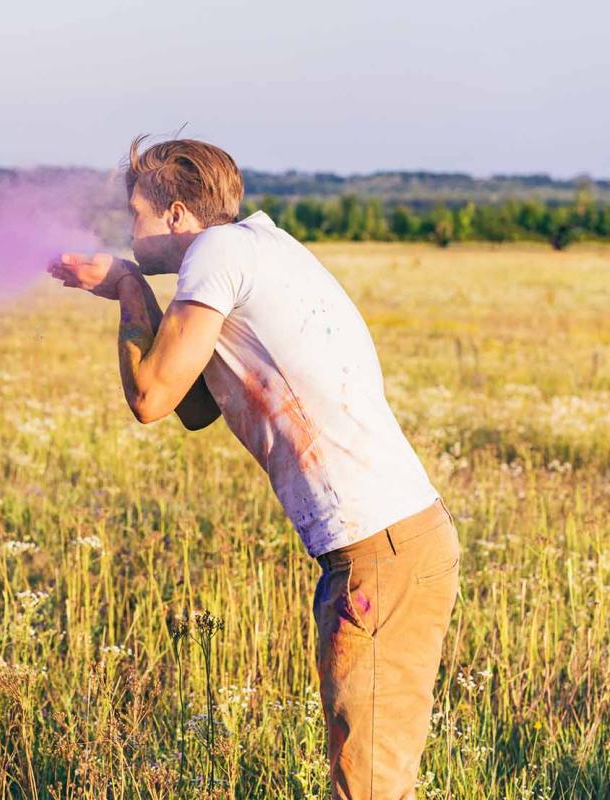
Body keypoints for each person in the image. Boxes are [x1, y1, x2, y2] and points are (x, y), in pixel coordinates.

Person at [49, 137, 460, 799]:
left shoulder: (217, 254)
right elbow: (194, 409)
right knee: (374, 779)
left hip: (379, 552)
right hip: (388, 544)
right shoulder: (259, 246)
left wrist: (127, 285)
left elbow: (151, 399)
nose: (129, 229)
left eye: (135, 215)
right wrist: (136, 288)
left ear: (177, 215)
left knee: (369, 788)